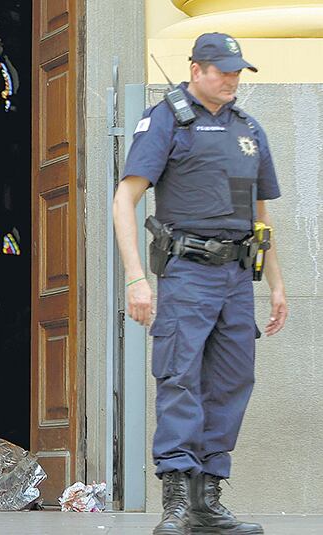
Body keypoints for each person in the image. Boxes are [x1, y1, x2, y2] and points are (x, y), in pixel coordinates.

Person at [113, 34, 286, 535]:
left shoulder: (248, 129)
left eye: (237, 71)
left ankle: (207, 503)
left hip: (238, 277)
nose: (232, 79)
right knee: (180, 379)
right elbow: (125, 199)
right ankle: (175, 503)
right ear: (196, 70)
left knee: (232, 382)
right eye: (222, 70)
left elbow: (259, 216)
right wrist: (135, 278)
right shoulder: (167, 120)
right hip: (188, 272)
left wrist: (276, 284)